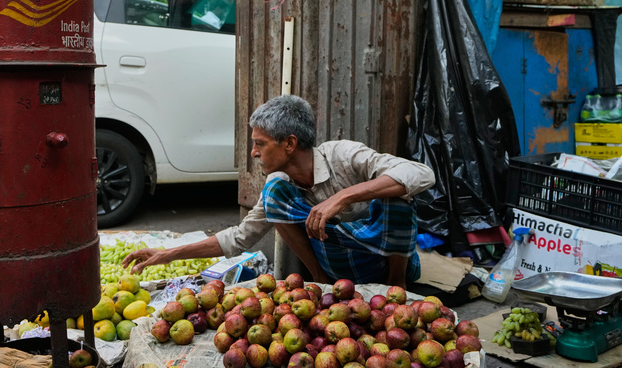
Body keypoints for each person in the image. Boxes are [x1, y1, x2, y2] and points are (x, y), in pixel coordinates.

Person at [123, 95, 436, 287]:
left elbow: (421, 173)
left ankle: (399, 285)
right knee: (274, 194)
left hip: (382, 259)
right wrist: (165, 255)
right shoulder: (279, 184)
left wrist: (342, 198)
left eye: (260, 144)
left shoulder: (343, 155)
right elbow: (240, 237)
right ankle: (322, 283)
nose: (253, 153)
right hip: (336, 267)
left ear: (289, 144)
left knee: (398, 194)